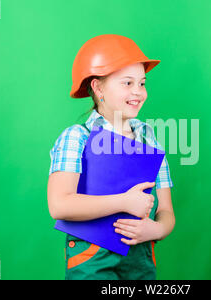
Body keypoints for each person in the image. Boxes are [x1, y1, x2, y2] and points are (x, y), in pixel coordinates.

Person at [47, 34, 175, 280]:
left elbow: (167, 211)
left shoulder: (150, 141)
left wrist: (156, 229)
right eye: (127, 83)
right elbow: (59, 205)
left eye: (142, 83)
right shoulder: (77, 137)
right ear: (97, 87)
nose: (138, 92)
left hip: (140, 261)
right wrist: (124, 202)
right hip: (91, 261)